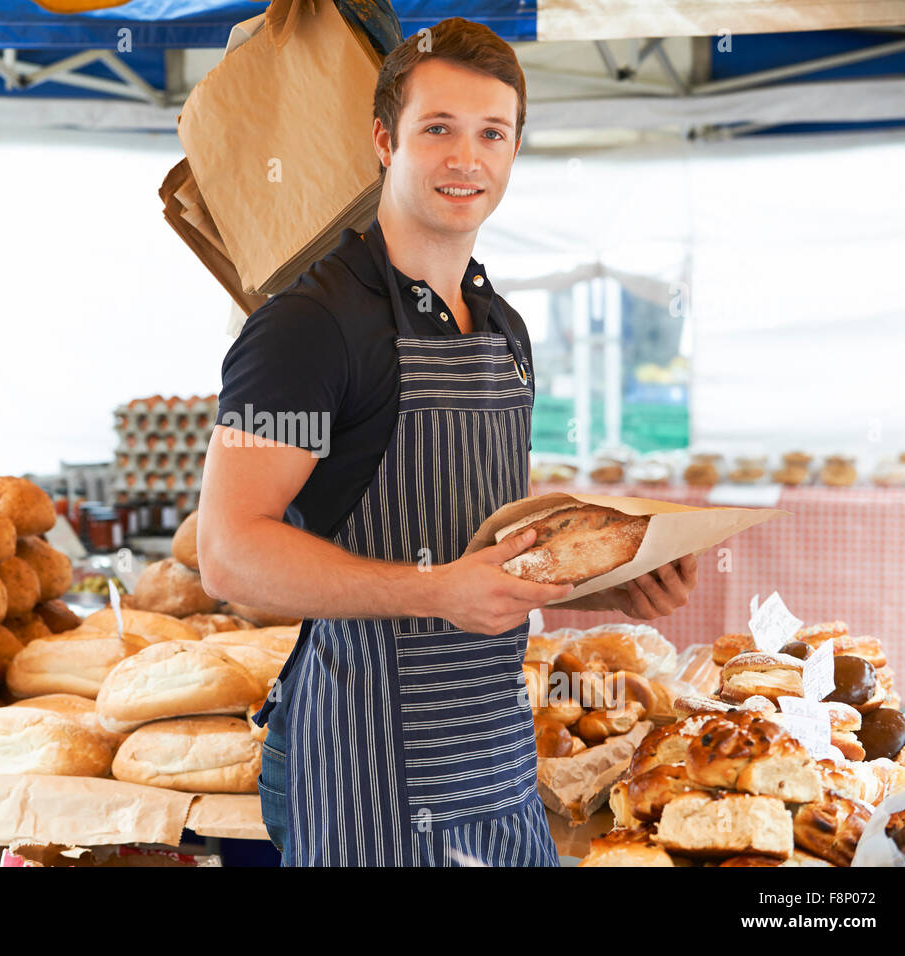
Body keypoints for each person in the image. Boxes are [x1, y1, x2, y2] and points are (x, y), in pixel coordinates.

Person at [195, 19, 698, 867]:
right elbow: (229, 553)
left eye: (491, 134)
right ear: (385, 141)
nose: (467, 159)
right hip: (361, 751)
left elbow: (489, 560)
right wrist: (436, 591)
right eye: (439, 130)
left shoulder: (505, 330)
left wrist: (606, 582)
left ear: (513, 150)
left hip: (495, 750)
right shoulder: (307, 328)